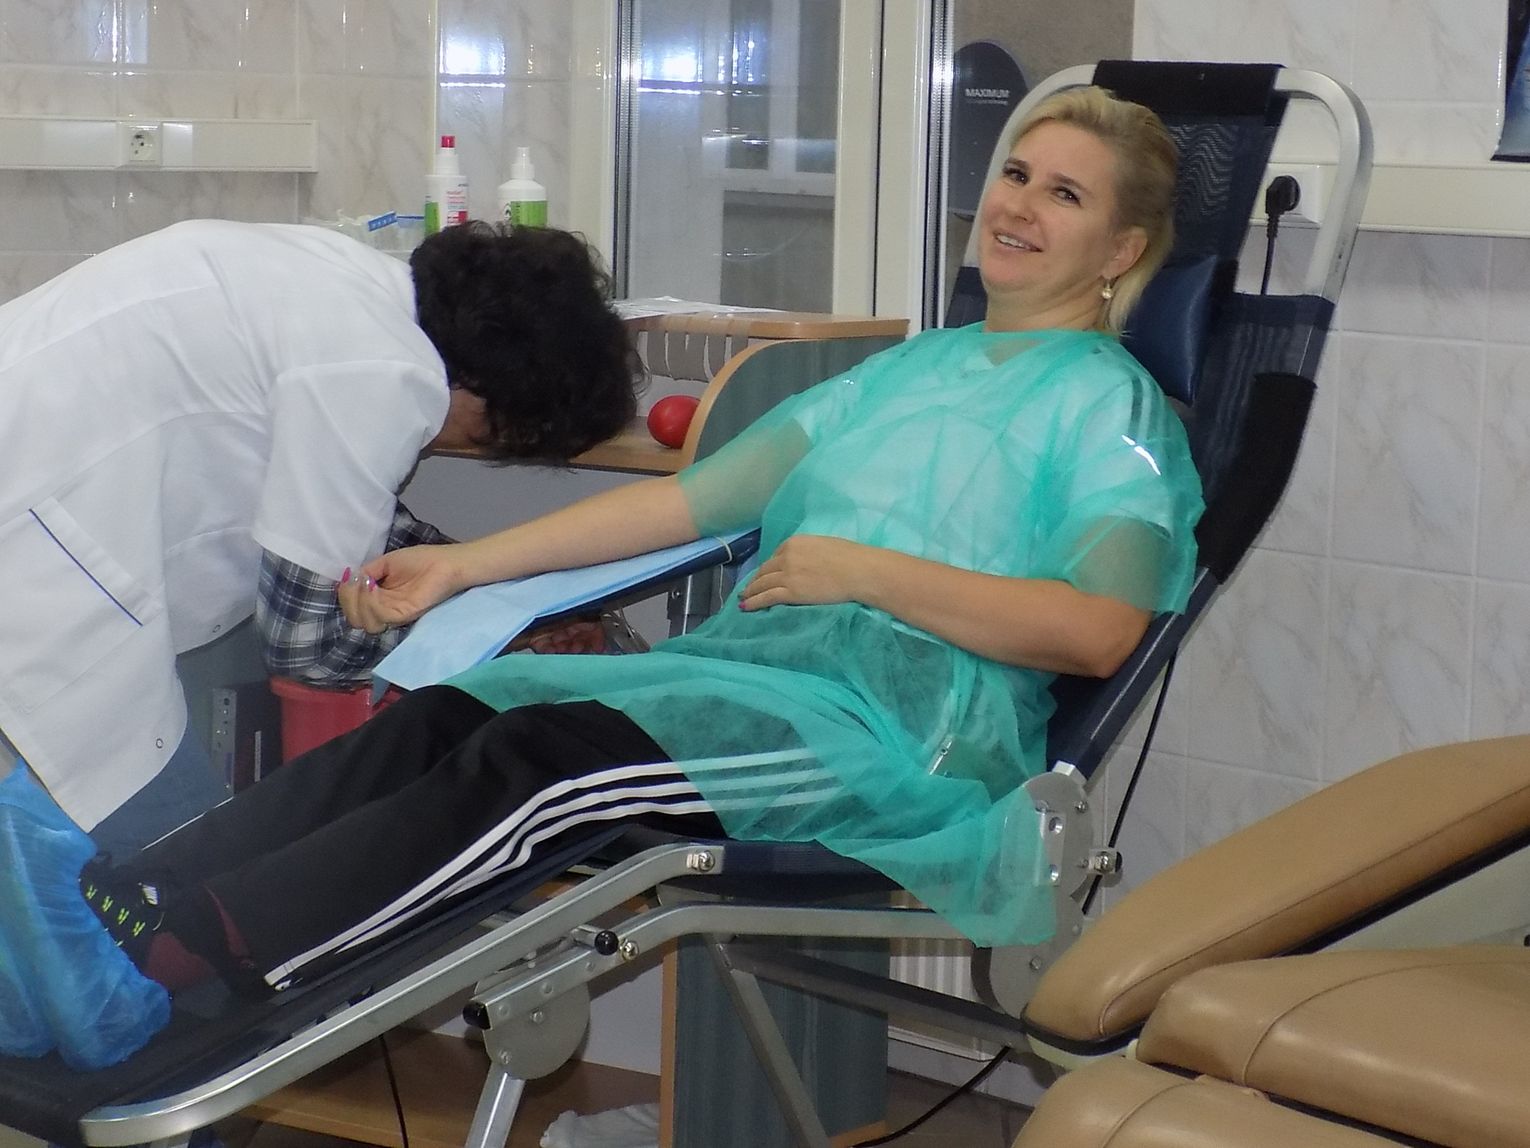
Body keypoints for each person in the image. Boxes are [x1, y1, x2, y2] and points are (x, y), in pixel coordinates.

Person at [0, 86, 1203, 1070]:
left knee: (549, 761)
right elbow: (687, 501)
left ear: (1123, 250)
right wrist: (461, 564)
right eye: (1015, 174)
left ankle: (198, 954)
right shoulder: (903, 374)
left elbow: (1100, 630)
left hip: (892, 733)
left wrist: (865, 572)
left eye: (1065, 193)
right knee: (450, 710)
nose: (1019, 205)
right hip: (747, 683)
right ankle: (117, 905)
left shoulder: (1114, 409)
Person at [0, 219, 640, 857]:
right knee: (195, 876)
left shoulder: (341, 281)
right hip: (37, 576)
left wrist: (508, 598)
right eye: (489, 434)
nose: (456, 443)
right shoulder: (386, 373)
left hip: (39, 520)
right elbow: (308, 647)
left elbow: (358, 530)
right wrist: (495, 639)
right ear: (486, 388)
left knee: (154, 874)